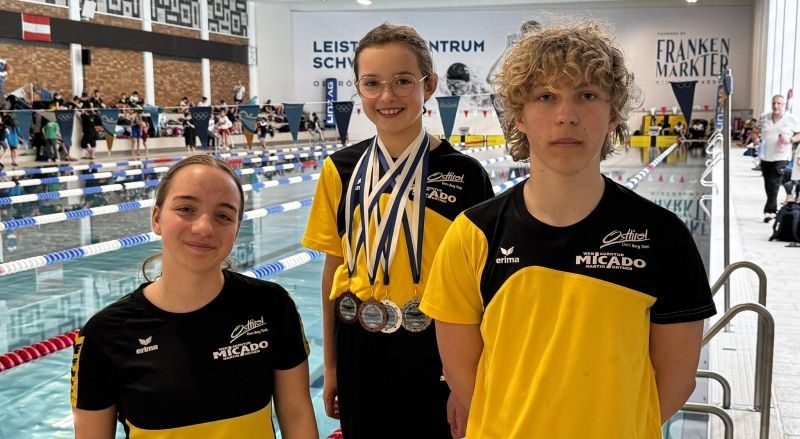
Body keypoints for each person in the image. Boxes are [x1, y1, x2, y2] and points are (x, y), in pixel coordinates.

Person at [420, 21, 717, 438]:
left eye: (587, 95)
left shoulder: (663, 236)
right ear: (519, 116)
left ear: (613, 113)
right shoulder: (473, 234)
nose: (567, 116)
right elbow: (461, 373)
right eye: (546, 97)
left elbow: (676, 379)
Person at [301, 22, 495, 439]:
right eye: (372, 83)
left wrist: (464, 380)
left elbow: (480, 289)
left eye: (403, 81)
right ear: (359, 90)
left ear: (429, 86)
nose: (387, 96)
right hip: (358, 341)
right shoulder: (340, 170)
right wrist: (331, 366)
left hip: (437, 348)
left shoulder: (466, 175)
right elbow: (332, 272)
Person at [70, 155, 317, 439]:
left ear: (236, 229)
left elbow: (297, 415)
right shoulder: (105, 334)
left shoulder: (271, 306)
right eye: (186, 209)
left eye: (223, 216)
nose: (204, 228)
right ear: (157, 219)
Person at [754, 94, 800, 222]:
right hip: (765, 156)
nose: (776, 106)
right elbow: (755, 131)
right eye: (774, 103)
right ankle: (772, 208)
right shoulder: (764, 117)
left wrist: (790, 139)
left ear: (783, 105)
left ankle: (770, 211)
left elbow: (799, 134)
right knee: (768, 183)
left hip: (781, 156)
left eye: (779, 103)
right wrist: (756, 139)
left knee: (774, 182)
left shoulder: (791, 119)